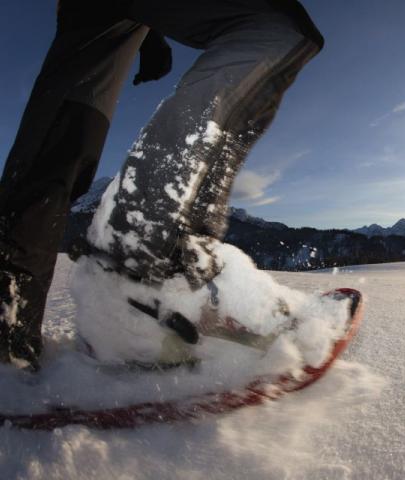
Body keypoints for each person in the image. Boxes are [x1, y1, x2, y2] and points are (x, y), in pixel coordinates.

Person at [0, 0, 324, 370]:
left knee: (63, 145)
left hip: (104, 20)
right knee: (276, 29)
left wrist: (153, 37)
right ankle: (143, 274)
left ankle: (11, 337)